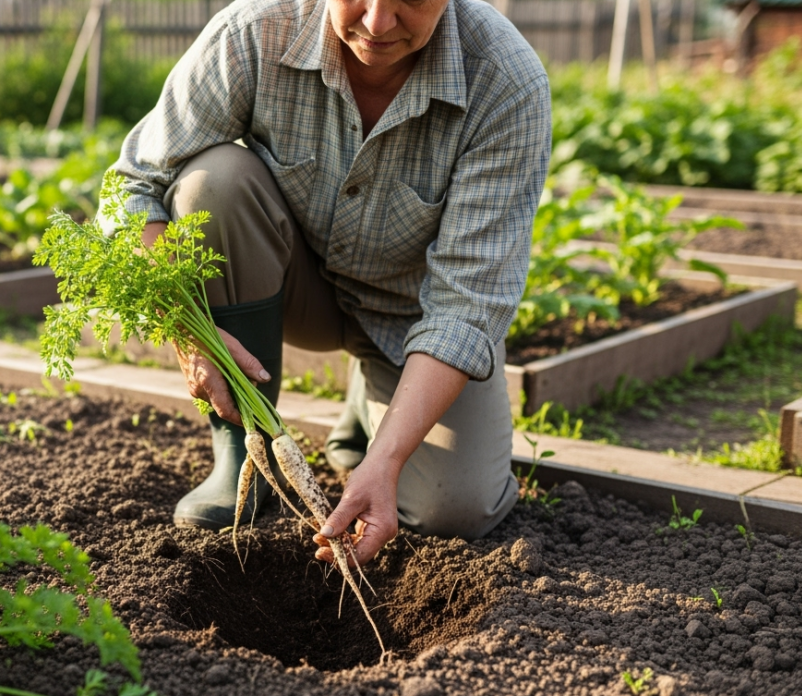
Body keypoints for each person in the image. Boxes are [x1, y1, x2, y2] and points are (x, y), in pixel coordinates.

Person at [111, 0, 551, 566]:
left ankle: (370, 412)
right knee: (211, 182)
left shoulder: (504, 81)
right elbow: (134, 184)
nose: (376, 24)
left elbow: (467, 305)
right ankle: (245, 454)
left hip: (411, 319)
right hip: (294, 286)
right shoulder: (255, 33)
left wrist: (387, 460)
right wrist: (185, 329)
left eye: (410, 2)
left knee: (454, 511)